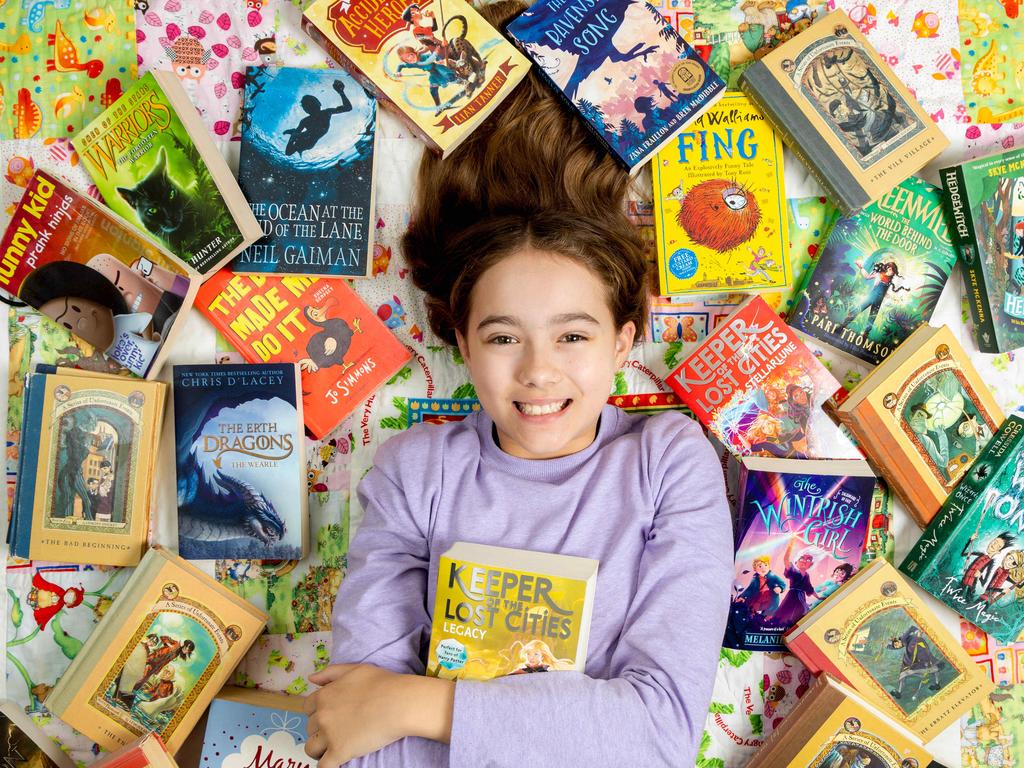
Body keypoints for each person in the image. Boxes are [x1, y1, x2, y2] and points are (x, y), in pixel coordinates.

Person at [301, 3, 732, 764]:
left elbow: (658, 735)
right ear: (462, 343)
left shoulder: (667, 461)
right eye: (503, 338)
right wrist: (569, 724)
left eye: (573, 336)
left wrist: (418, 702)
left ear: (625, 342)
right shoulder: (415, 471)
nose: (538, 371)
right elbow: (356, 734)